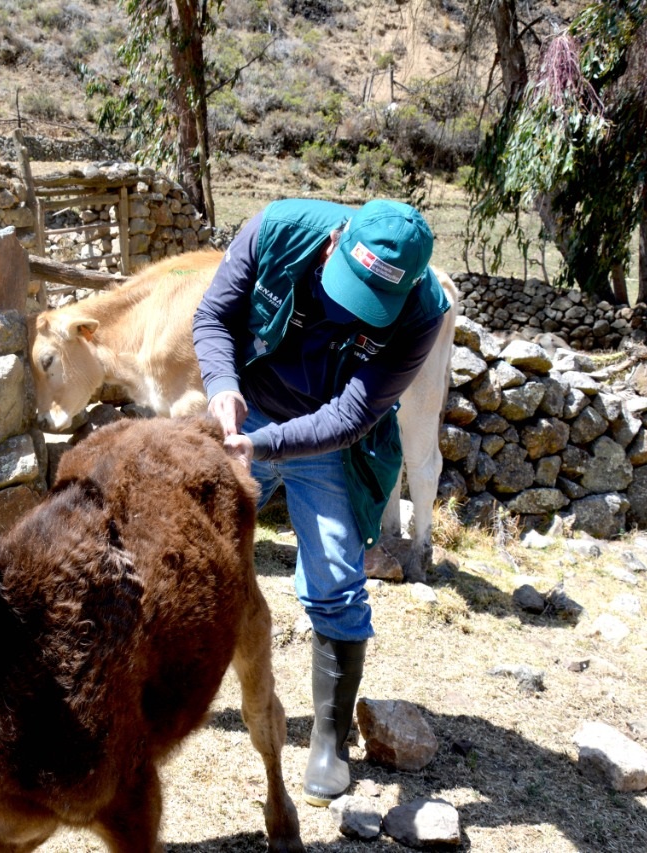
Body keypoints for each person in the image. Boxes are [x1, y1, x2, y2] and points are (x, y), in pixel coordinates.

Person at [192, 198, 450, 807]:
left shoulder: (420, 314)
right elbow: (212, 317)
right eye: (346, 287)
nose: (345, 310)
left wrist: (263, 445)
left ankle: (329, 740)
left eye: (369, 306)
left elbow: (354, 414)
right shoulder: (276, 229)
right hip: (241, 412)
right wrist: (224, 390)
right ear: (336, 241)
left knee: (336, 577)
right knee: (185, 552)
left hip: (319, 436)